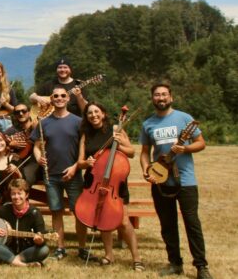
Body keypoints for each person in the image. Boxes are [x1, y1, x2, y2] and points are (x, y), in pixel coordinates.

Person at [140, 83, 211, 279]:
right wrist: (147, 171)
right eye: (156, 95)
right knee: (167, 224)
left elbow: (201, 143)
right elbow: (145, 153)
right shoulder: (148, 124)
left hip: (186, 181)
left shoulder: (185, 118)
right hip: (161, 181)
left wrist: (185, 149)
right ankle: (175, 263)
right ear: (152, 98)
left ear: (171, 97)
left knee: (192, 223)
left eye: (164, 94)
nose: (160, 98)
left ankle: (201, 266)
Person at [77, 102, 143, 271]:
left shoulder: (115, 129)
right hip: (95, 181)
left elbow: (131, 152)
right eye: (89, 113)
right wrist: (87, 162)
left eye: (96, 112)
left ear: (103, 113)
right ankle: (109, 255)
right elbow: (81, 162)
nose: (93, 115)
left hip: (114, 181)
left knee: (123, 221)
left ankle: (137, 258)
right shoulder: (85, 134)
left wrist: (118, 143)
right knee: (102, 217)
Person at [30, 85, 89, 261]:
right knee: (56, 211)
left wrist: (76, 167)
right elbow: (36, 146)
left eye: (63, 95)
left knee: (79, 212)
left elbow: (82, 147)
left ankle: (82, 247)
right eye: (56, 96)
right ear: (52, 99)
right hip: (51, 175)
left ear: (68, 98)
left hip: (73, 174)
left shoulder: (78, 122)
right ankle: (60, 247)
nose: (60, 98)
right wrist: (39, 157)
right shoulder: (43, 123)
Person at [0, 179, 49, 267]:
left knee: (44, 250)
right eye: (13, 194)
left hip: (27, 251)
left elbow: (42, 235)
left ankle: (11, 260)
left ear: (27, 195)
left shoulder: (35, 213)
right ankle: (22, 264)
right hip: (8, 249)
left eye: (19, 193)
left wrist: (39, 241)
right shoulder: (6, 209)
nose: (16, 197)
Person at [4, 103, 40, 186]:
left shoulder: (38, 125)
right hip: (17, 161)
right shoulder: (11, 130)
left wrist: (36, 129)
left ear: (29, 112)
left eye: (23, 111)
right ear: (15, 115)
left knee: (25, 180)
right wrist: (10, 144)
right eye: (17, 112)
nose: (21, 114)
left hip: (34, 162)